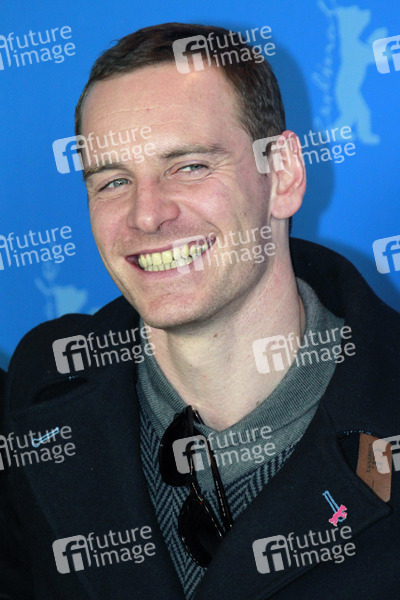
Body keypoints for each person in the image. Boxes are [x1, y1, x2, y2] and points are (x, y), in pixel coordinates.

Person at [1, 22, 399, 600]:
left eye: (189, 166)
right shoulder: (41, 385)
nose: (146, 215)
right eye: (113, 181)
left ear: (282, 175)